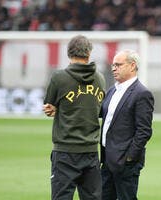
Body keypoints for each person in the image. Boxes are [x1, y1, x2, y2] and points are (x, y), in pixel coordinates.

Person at [43, 35, 105, 200]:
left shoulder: (59, 77)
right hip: (91, 151)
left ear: (69, 53)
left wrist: (57, 110)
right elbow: (97, 110)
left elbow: (48, 106)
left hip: (65, 150)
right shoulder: (100, 79)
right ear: (89, 53)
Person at [100, 49, 154, 200]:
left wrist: (129, 158)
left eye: (118, 65)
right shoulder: (112, 90)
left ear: (132, 66)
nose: (113, 68)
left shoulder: (142, 93)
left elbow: (144, 131)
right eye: (113, 65)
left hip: (125, 163)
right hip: (107, 160)